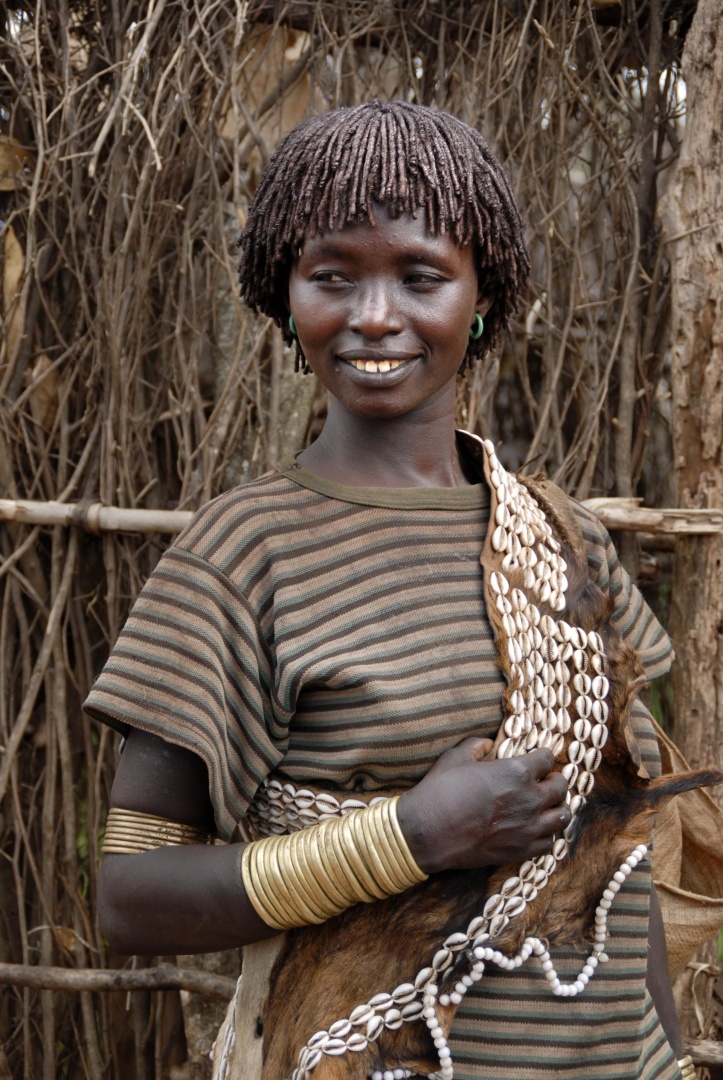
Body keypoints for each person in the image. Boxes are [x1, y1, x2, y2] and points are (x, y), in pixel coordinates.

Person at [87, 101, 689, 1080]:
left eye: (419, 276)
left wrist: (666, 1061)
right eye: (332, 276)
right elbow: (131, 895)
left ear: (481, 298)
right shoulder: (244, 554)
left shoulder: (563, 536)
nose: (374, 316)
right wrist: (409, 836)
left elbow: (619, 861)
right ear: (286, 299)